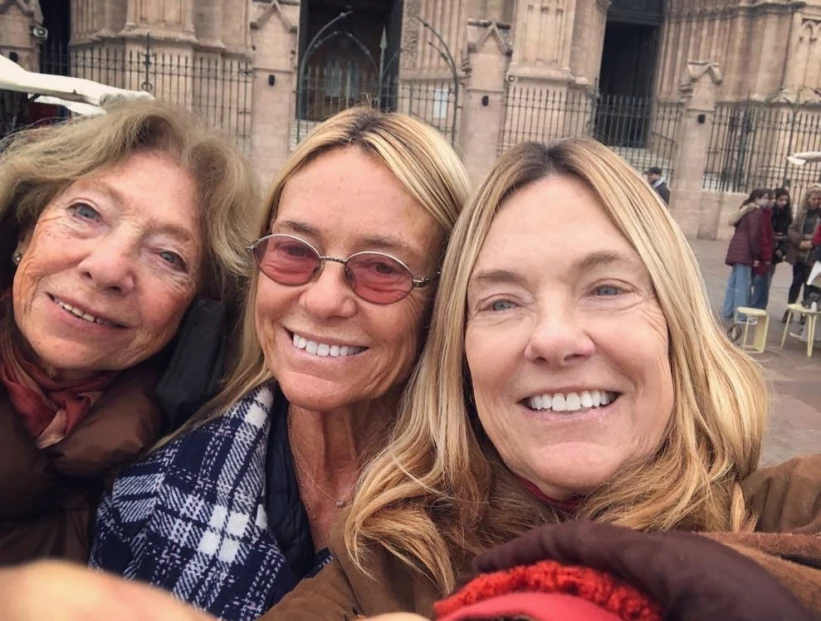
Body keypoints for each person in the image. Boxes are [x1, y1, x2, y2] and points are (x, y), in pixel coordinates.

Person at [262, 139, 821, 620]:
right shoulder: (386, 567)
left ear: (678, 329)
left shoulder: (787, 509)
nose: (554, 339)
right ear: (460, 358)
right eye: (502, 301)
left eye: (606, 289)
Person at [89, 107, 470, 621]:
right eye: (294, 251)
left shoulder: (501, 525)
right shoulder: (146, 502)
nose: (322, 300)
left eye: (382, 268)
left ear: (442, 299)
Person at [0, 99, 258, 565]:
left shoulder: (201, 459)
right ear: (26, 230)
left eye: (168, 256)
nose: (107, 268)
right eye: (86, 213)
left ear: (198, 310)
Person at [722, 188, 768, 321]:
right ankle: (741, 315)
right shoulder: (756, 212)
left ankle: (728, 310)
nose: (766, 201)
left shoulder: (745, 210)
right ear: (757, 198)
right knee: (743, 284)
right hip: (745, 251)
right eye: (764, 198)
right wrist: (756, 256)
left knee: (733, 282)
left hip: (737, 248)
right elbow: (754, 234)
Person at [784, 184, 821, 322]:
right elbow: (791, 229)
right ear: (808, 199)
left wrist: (812, 242)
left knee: (809, 285)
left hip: (812, 254)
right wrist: (799, 242)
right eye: (814, 198)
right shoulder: (802, 214)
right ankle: (790, 310)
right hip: (799, 253)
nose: (817, 201)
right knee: (796, 283)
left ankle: (804, 314)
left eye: (819, 199)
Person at [750, 189, 775, 310]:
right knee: (760, 283)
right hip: (761, 256)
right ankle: (756, 308)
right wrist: (766, 256)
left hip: (764, 254)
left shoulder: (767, 213)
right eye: (768, 198)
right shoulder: (761, 214)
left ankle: (757, 307)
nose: (771, 201)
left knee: (762, 283)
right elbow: (763, 236)